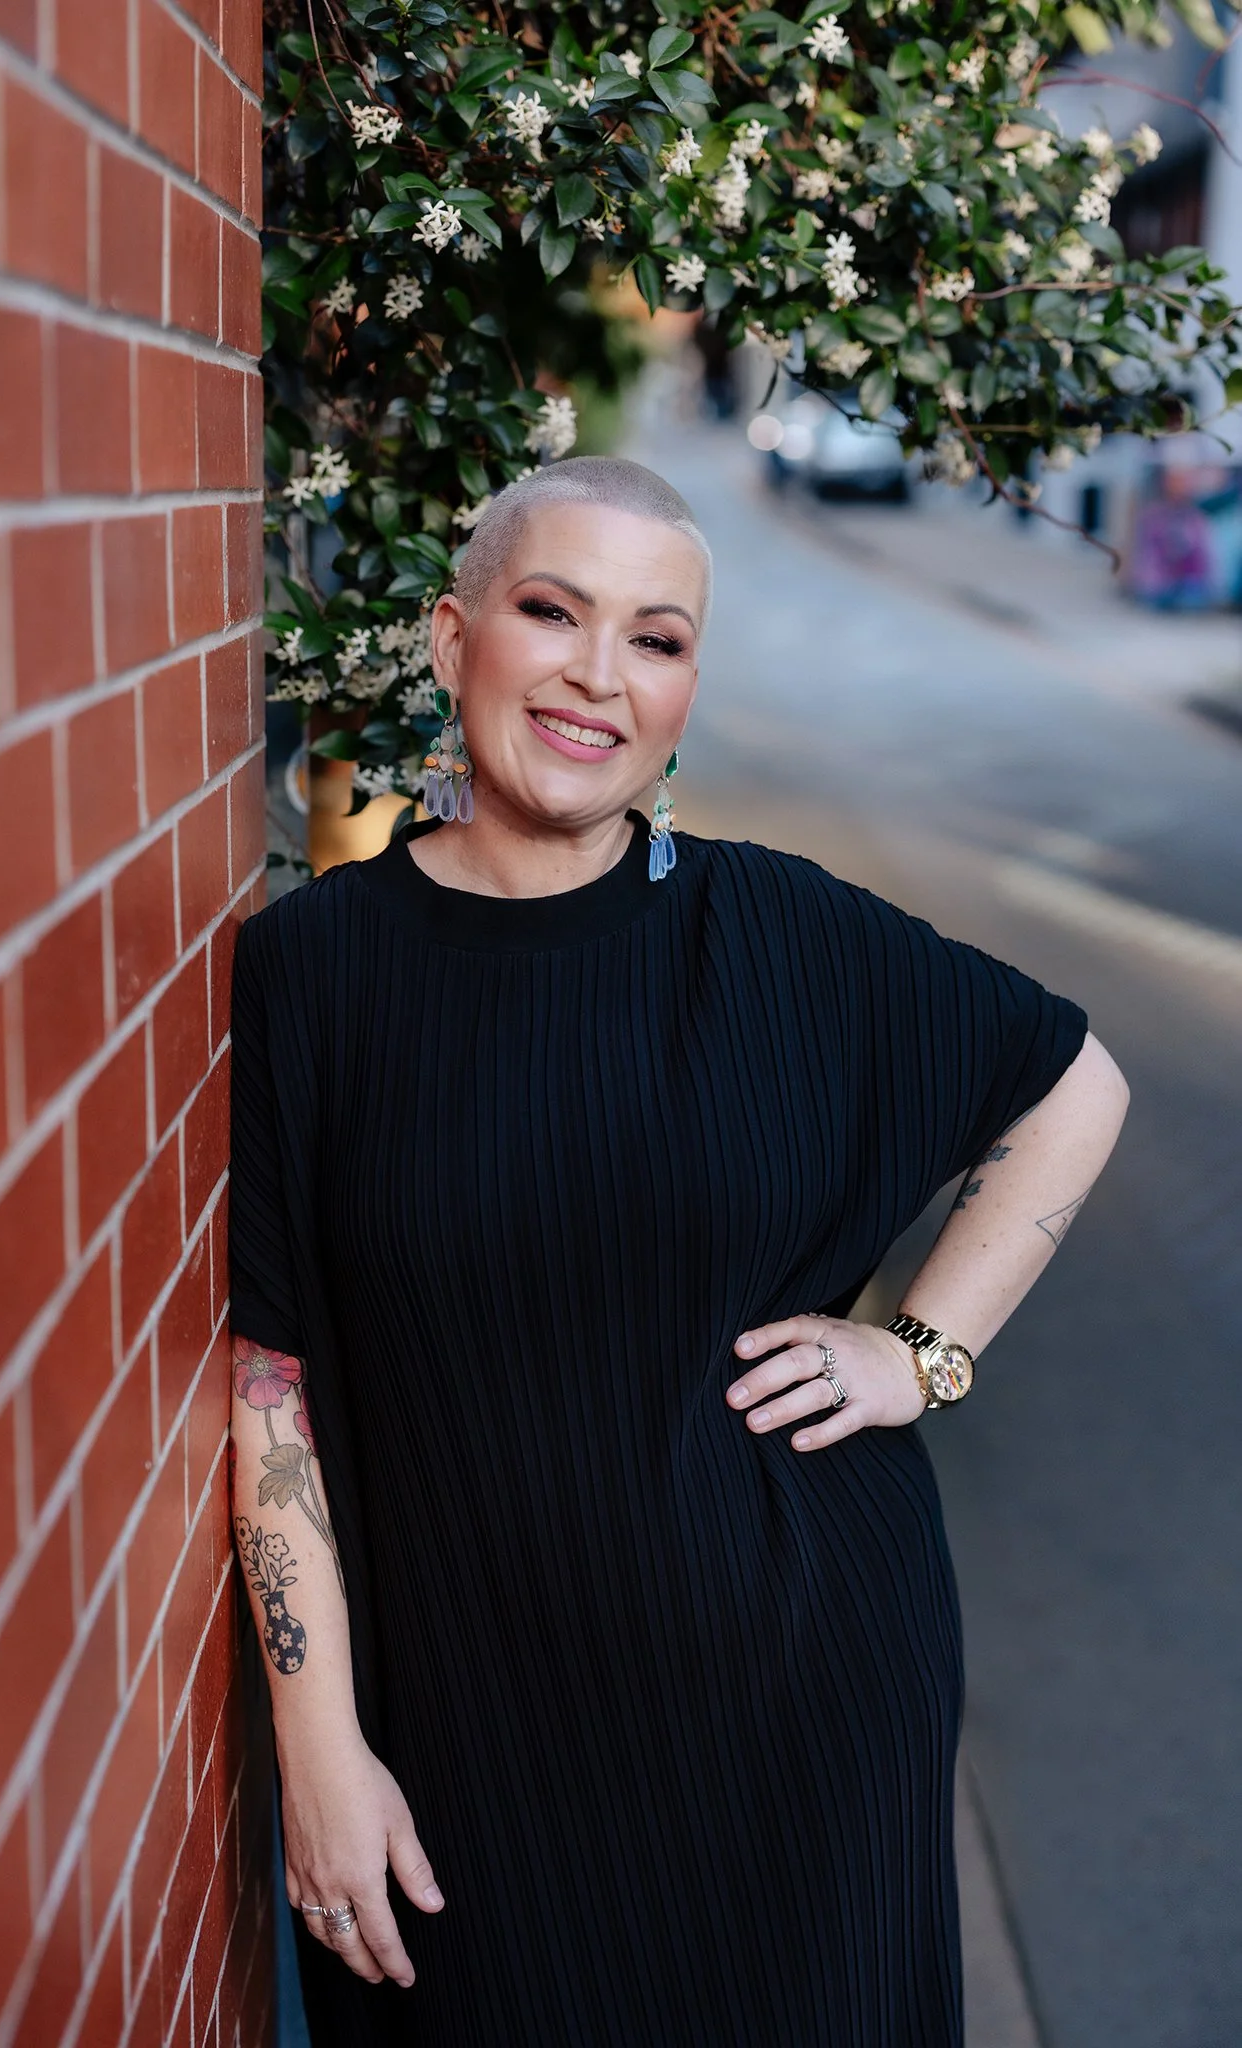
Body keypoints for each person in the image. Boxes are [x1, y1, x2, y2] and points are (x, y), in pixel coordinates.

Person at [227, 456, 1129, 2047]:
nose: (597, 676)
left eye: (655, 639)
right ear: (452, 641)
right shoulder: (317, 970)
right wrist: (320, 1750)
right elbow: (273, 1381)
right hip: (469, 1754)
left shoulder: (784, 936)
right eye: (551, 613)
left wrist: (916, 1356)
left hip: (802, 1728)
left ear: (686, 690)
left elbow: (1072, 1085)